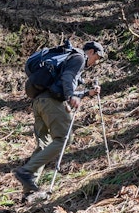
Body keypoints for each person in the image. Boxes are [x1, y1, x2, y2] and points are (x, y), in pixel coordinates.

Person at [13, 41, 105, 198]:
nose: (96, 62)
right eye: (97, 57)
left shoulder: (68, 57)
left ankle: (28, 192)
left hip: (38, 102)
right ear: (91, 51)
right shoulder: (80, 57)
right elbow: (67, 78)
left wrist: (85, 93)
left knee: (45, 145)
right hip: (51, 103)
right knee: (64, 139)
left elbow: (60, 83)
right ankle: (25, 171)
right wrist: (71, 96)